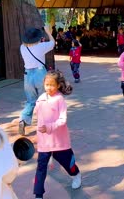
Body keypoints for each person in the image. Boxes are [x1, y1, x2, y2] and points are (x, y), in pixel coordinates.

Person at [33, 70, 81, 199]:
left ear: (58, 85)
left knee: (68, 163)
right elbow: (37, 111)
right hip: (44, 142)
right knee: (41, 167)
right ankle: (38, 194)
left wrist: (49, 127)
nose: (49, 88)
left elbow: (62, 120)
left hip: (59, 141)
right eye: (47, 84)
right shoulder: (41, 97)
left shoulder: (59, 99)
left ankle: (76, 175)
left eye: (52, 85)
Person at [17, 25, 55, 136]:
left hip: (28, 75)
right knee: (43, 99)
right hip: (40, 73)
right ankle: (44, 123)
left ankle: (23, 119)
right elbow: (53, 43)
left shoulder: (22, 47)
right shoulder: (41, 46)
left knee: (30, 101)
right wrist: (48, 32)